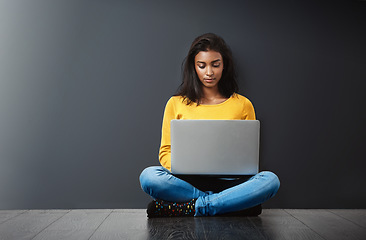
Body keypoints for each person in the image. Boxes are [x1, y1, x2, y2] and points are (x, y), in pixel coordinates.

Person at [139, 33, 280, 217]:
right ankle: (231, 203)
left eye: (215, 65)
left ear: (224, 65)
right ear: (193, 67)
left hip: (232, 182)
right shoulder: (176, 103)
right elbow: (165, 152)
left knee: (270, 180)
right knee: (149, 177)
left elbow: (250, 159)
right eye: (202, 65)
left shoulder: (243, 104)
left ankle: (193, 206)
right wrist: (186, 165)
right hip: (187, 183)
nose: (209, 72)